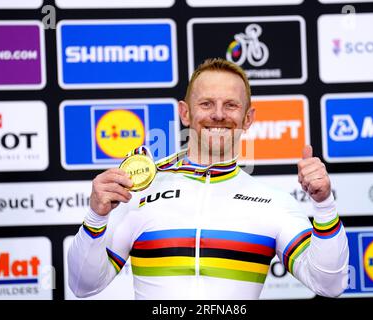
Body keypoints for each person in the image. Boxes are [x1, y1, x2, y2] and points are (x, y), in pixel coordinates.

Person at [68, 58, 349, 299]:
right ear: (185, 113)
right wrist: (95, 216)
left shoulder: (273, 203)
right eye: (206, 103)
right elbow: (83, 285)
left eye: (230, 105)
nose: (217, 114)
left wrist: (324, 205)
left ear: (248, 118)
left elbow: (330, 284)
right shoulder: (139, 192)